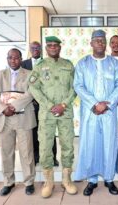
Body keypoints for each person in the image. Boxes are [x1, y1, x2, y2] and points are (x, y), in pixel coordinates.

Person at [74, 29, 118, 196]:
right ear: (91, 43)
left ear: (106, 44)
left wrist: (107, 103)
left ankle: (109, 179)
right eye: (97, 40)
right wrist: (95, 104)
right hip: (90, 112)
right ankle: (92, 180)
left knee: (109, 144)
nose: (100, 43)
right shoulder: (82, 63)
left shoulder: (114, 63)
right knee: (91, 144)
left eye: (103, 41)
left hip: (108, 112)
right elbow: (78, 86)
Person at [28, 36, 77, 198]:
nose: (53, 48)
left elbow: (75, 87)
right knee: (45, 147)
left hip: (66, 112)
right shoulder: (40, 66)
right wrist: (50, 106)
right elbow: (34, 88)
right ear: (46, 49)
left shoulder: (68, 65)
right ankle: (48, 182)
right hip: (46, 114)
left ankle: (66, 180)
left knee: (68, 146)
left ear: (60, 47)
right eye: (50, 45)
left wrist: (63, 105)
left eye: (56, 45)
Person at [0, 48, 36, 196]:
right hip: (5, 119)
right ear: (7, 59)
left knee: (26, 152)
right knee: (6, 152)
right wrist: (3, 108)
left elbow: (31, 93)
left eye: (16, 58)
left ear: (21, 59)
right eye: (10, 58)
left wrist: (13, 107)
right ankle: (8, 182)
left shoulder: (30, 74)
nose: (13, 60)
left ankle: (29, 182)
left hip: (23, 118)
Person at [21, 41, 59, 166]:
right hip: (30, 104)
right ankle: (36, 156)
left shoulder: (48, 62)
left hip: (47, 104)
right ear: (30, 49)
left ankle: (52, 157)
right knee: (33, 132)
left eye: (38, 47)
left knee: (49, 131)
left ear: (41, 49)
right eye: (33, 47)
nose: (35, 49)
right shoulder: (23, 64)